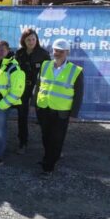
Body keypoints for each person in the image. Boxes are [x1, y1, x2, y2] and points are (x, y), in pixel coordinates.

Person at [35, 38, 83, 178]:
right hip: (44, 107)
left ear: (67, 52)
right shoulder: (45, 65)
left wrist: (74, 113)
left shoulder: (75, 71)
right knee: (45, 136)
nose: (58, 53)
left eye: (61, 51)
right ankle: (48, 157)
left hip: (61, 111)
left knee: (57, 138)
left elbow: (79, 94)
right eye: (56, 50)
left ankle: (48, 167)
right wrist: (34, 103)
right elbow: (38, 85)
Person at [14, 28, 50, 154]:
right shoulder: (19, 54)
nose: (31, 42)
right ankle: (23, 143)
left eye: (33, 39)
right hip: (22, 89)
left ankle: (50, 146)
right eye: (28, 39)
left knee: (43, 118)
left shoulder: (43, 54)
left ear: (37, 40)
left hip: (39, 89)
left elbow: (48, 73)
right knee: (22, 116)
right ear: (24, 40)